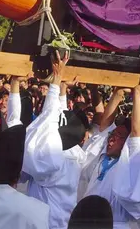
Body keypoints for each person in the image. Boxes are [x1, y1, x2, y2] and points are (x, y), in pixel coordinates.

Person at [22, 51, 89, 229]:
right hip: (64, 220)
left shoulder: (50, 159)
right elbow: (56, 118)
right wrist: (61, 87)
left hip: (45, 222)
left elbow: (49, 119)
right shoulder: (77, 154)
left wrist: (56, 81)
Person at [80, 75, 140, 229]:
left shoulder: (129, 162)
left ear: (128, 142)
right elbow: (104, 125)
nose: (111, 140)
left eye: (118, 137)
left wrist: (138, 93)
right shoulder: (103, 156)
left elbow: (137, 131)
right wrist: (118, 93)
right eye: (112, 136)